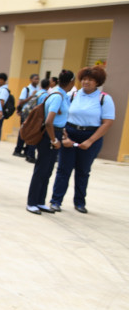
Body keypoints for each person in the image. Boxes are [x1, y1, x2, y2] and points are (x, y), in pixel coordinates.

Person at [49, 66, 115, 214]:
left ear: (97, 82)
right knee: (63, 170)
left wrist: (90, 141)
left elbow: (107, 122)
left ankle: (79, 202)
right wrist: (65, 137)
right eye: (84, 79)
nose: (86, 82)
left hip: (91, 136)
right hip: (70, 133)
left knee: (83, 171)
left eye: (90, 80)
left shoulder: (104, 98)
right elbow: (63, 116)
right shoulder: (72, 95)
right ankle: (56, 201)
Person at [26, 70, 75, 214]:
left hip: (57, 132)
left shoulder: (62, 95)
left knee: (47, 170)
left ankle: (40, 201)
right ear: (71, 82)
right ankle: (32, 202)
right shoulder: (58, 96)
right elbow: (49, 122)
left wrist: (62, 132)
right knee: (41, 169)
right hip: (50, 135)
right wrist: (54, 140)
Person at [14, 74, 40, 161]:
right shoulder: (26, 89)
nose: (37, 80)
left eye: (38, 79)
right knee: (23, 131)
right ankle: (18, 149)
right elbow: (21, 101)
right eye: (35, 79)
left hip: (33, 114)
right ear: (31, 79)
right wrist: (31, 96)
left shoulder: (39, 89)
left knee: (31, 132)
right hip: (25, 113)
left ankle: (27, 150)